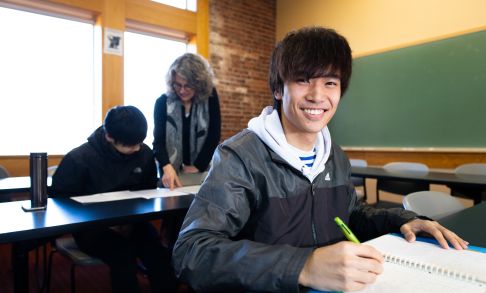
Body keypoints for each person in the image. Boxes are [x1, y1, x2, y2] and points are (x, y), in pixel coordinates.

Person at [172, 27, 469, 292]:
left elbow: (351, 215)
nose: (318, 95)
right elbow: (191, 251)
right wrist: (304, 266)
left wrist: (405, 219)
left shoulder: (334, 155)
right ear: (278, 89)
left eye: (330, 83)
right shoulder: (240, 157)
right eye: (303, 80)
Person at [50, 105, 176, 293]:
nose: (136, 149)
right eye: (129, 145)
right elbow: (59, 203)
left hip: (133, 222)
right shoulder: (79, 159)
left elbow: (148, 192)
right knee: (124, 257)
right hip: (92, 228)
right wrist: (107, 223)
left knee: (159, 254)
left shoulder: (144, 153)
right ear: (109, 136)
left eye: (139, 143)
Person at [153, 53, 221, 190]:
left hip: (202, 173)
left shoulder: (210, 98)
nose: (182, 90)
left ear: (199, 83)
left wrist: (198, 165)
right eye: (178, 85)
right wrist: (166, 166)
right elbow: (158, 141)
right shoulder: (162, 103)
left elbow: (214, 135)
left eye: (188, 86)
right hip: (171, 175)